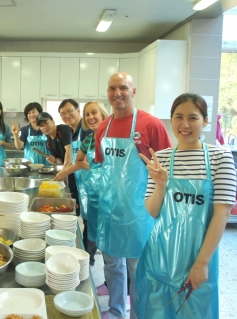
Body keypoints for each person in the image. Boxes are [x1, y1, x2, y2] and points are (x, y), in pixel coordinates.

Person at [136, 93, 236, 318]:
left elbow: (222, 214)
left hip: (197, 256)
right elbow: (152, 211)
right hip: (159, 257)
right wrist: (161, 184)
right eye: (178, 117)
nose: (185, 124)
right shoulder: (161, 157)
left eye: (193, 117)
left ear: (206, 121)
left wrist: (201, 263)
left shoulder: (220, 157)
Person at [95, 72, 172, 319]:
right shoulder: (102, 128)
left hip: (141, 212)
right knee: (113, 265)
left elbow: (166, 169)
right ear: (107, 92)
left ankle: (140, 314)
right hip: (110, 210)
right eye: (112, 88)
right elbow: (101, 166)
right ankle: (117, 310)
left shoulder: (151, 125)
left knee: (139, 269)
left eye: (123, 88)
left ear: (133, 91)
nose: (117, 93)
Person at [55, 101, 108, 265]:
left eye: (94, 113)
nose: (91, 117)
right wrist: (64, 171)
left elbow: (95, 164)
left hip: (106, 190)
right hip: (87, 186)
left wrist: (97, 168)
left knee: (108, 233)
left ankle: (91, 261)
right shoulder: (80, 135)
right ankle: (88, 261)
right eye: (88, 114)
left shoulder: (107, 137)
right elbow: (77, 160)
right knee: (90, 225)